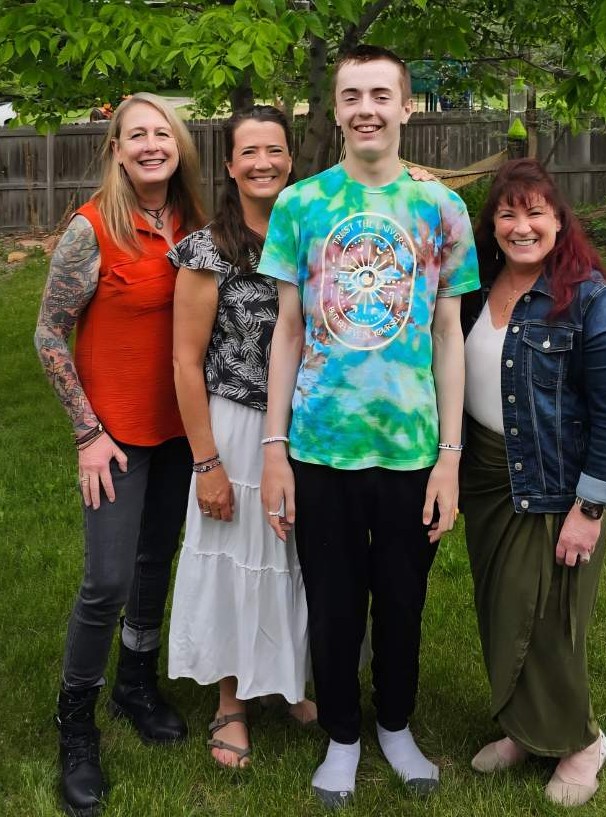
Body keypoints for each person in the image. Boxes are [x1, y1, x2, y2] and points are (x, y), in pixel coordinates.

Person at [259, 45, 479, 808]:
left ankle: (394, 723)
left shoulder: (440, 210)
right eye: (352, 95)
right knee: (332, 601)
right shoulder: (301, 206)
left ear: (406, 107)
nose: (366, 109)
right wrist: (274, 447)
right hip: (320, 447)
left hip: (411, 449)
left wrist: (449, 457)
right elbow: (287, 332)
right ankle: (342, 735)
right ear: (336, 107)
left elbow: (448, 336)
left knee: (402, 600)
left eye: (381, 95)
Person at [34, 92, 206, 817]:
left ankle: (136, 683)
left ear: (179, 145)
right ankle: (76, 723)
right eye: (136, 135)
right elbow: (48, 333)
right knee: (106, 580)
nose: (150, 145)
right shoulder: (92, 228)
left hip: (178, 431)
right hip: (114, 435)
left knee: (154, 562)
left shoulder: (193, 222)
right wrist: (86, 431)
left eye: (161, 133)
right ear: (116, 150)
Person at [461, 158, 606, 806]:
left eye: (535, 212)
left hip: (556, 486)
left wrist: (589, 509)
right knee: (501, 612)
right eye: (507, 213)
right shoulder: (476, 288)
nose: (521, 226)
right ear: (492, 225)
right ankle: (524, 729)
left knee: (550, 624)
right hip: (486, 479)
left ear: (559, 221)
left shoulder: (588, 300)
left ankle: (581, 743)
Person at [167, 105, 316, 769]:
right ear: (229, 165)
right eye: (248, 152)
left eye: (274, 150)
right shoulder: (209, 250)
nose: (263, 163)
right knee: (237, 557)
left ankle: (285, 679)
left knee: (296, 556)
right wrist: (207, 464)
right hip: (235, 424)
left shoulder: (313, 235)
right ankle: (231, 700)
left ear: (291, 159)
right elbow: (184, 363)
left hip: (309, 424)